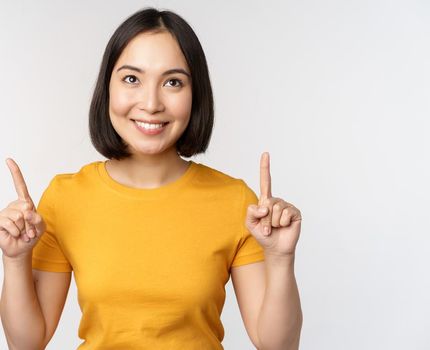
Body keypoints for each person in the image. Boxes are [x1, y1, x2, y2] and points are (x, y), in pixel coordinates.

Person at [0, 7, 302, 349]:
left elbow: (277, 345)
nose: (151, 102)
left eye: (173, 82)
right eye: (132, 79)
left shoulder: (236, 201)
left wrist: (280, 260)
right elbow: (27, 343)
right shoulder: (65, 197)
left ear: (195, 94)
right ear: (107, 87)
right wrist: (14, 260)